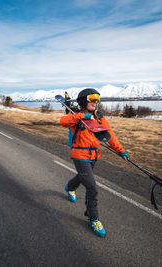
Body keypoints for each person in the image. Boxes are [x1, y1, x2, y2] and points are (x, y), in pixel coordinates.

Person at [60, 88, 129, 237]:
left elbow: (109, 135)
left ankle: (69, 187)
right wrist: (81, 117)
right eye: (92, 99)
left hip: (93, 156)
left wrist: (120, 150)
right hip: (80, 155)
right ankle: (93, 218)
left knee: (83, 176)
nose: (95, 102)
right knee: (92, 187)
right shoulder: (77, 117)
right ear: (84, 101)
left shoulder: (99, 118)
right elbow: (63, 122)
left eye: (97, 99)